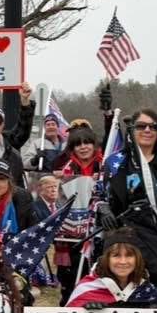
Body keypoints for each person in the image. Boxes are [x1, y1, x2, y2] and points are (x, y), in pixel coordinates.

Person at [101, 108, 157, 302]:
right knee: (120, 286)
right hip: (123, 235)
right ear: (131, 130)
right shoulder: (115, 162)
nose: (147, 130)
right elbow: (99, 193)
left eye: (153, 126)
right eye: (141, 126)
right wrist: (103, 209)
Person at [52, 125, 104, 303]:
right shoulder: (67, 169)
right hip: (72, 233)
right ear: (72, 148)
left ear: (94, 145)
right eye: (78, 144)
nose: (83, 147)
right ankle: (68, 304)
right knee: (71, 277)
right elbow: (59, 200)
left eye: (87, 143)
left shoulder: (104, 165)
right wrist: (58, 182)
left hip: (97, 229)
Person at [65, 228, 157, 309]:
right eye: (116, 255)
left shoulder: (150, 292)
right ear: (107, 259)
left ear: (137, 259)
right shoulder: (86, 289)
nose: (123, 261)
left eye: (129, 255)